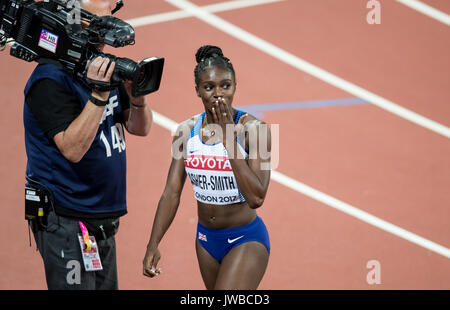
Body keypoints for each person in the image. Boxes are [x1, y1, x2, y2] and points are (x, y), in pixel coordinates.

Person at [24, 0, 153, 289]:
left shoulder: (100, 67)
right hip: (65, 219)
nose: (109, 30)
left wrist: (137, 98)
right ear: (76, 20)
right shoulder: (49, 80)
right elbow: (72, 149)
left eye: (111, 18)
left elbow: (139, 128)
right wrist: (99, 93)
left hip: (100, 216)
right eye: (100, 21)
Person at [143, 45, 272, 290]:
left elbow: (257, 197)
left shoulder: (256, 130)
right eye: (209, 87)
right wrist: (153, 243)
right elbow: (171, 192)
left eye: (226, 85)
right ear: (197, 90)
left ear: (235, 86)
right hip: (205, 240)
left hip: (246, 238)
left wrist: (227, 137)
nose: (218, 94)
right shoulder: (185, 131)